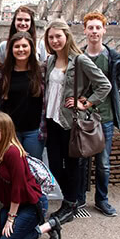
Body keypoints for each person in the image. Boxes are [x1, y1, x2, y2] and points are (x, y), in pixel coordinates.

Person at [43, 19, 111, 224]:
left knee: (72, 166)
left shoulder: (79, 60)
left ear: (67, 36)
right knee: (55, 165)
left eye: (58, 36)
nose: (55, 40)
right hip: (51, 119)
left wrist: (86, 103)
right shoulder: (50, 61)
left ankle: (69, 204)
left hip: (70, 121)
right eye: (51, 37)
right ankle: (71, 202)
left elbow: (104, 85)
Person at [0, 112, 62, 239]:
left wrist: (10, 219)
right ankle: (21, 227)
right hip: (12, 205)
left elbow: (18, 188)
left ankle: (48, 226)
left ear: (6, 132)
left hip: (31, 204)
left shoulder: (13, 153)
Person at [77, 12, 120, 216]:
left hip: (105, 117)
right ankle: (79, 199)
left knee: (103, 163)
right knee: (80, 161)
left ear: (104, 30)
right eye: (90, 27)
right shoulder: (78, 56)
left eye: (98, 27)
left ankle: (102, 200)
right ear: (85, 30)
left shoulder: (114, 57)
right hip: (82, 116)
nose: (94, 31)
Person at [0, 31, 44, 160]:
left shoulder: (41, 72)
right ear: (11, 49)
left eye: (24, 46)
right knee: (12, 168)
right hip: (11, 131)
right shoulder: (3, 73)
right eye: (17, 46)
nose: (21, 49)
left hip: (34, 131)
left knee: (34, 168)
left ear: (31, 48)